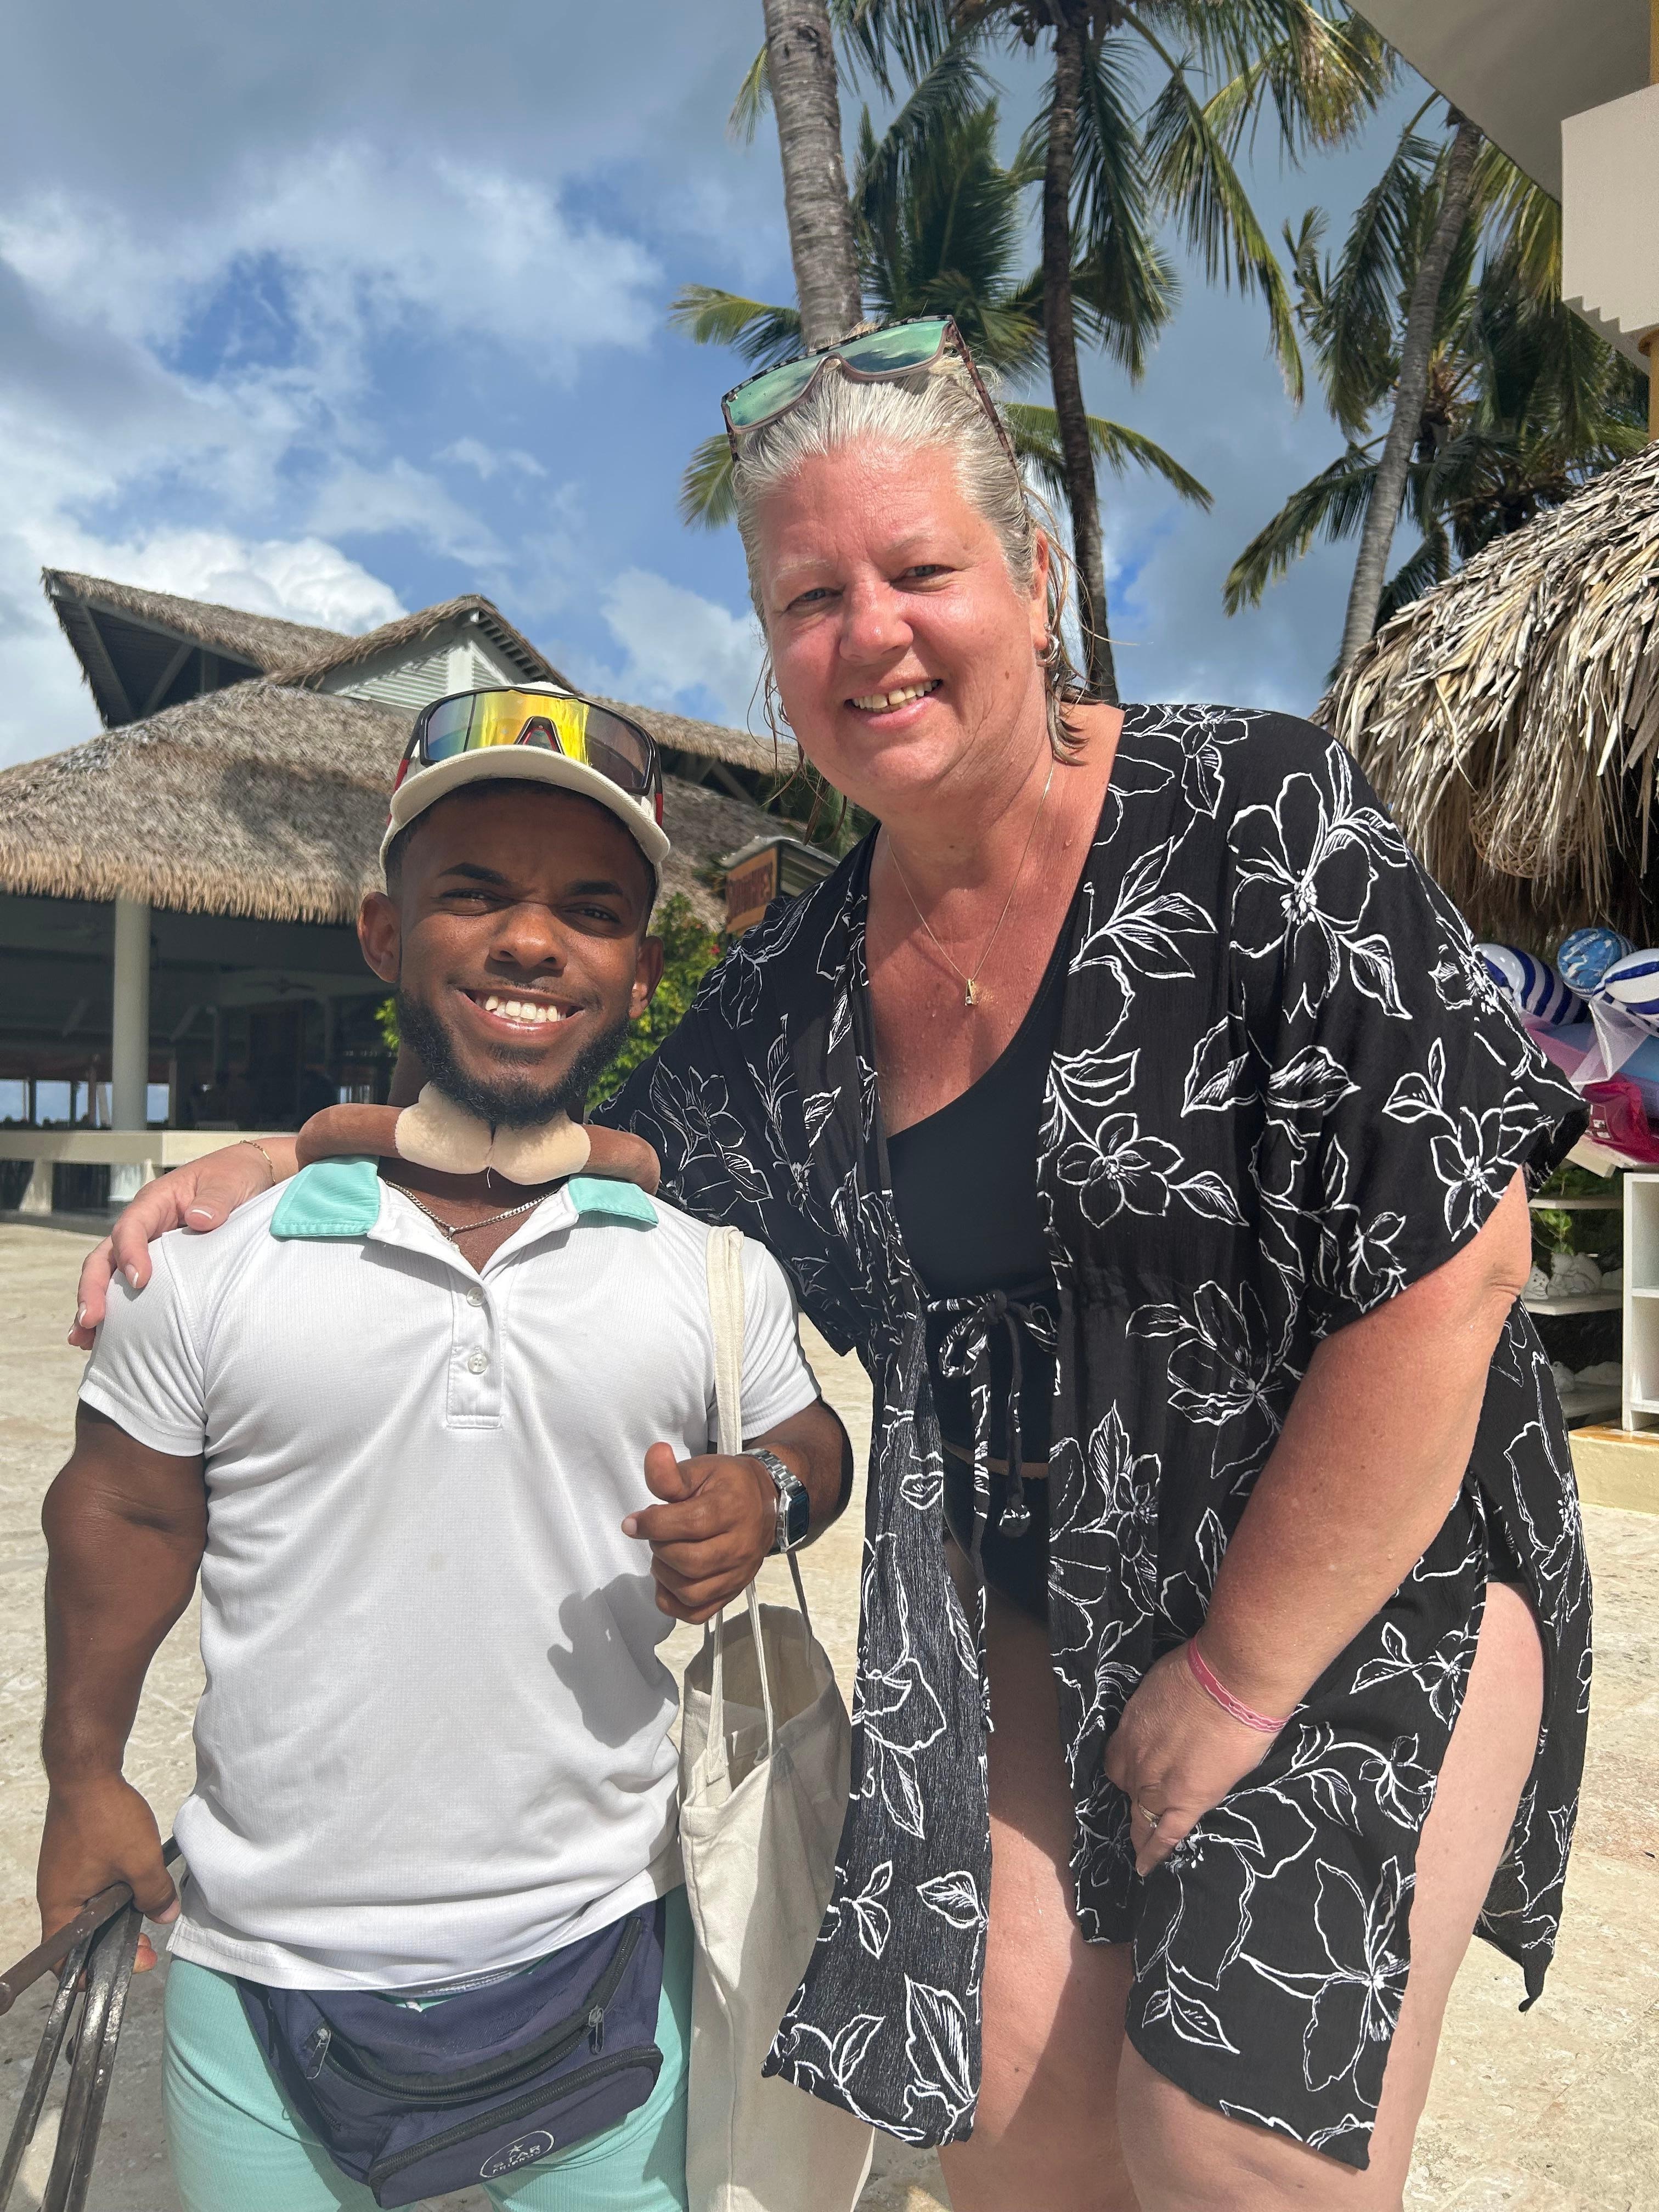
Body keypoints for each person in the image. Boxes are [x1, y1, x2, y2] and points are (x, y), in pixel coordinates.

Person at [76, 320, 1591, 2211]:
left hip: (1368, 1552)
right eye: (810, 598)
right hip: (1040, 1584)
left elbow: (1456, 1267)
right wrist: (298, 1149)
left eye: (919, 571)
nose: (870, 634)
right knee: (995, 2120)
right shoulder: (788, 996)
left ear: (1034, 581)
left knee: (1234, 2146)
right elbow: (593, 1149)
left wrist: (1234, 1683)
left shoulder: (1254, 816)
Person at [43, 698, 851, 2212]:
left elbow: (807, 1438)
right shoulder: (208, 1264)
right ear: (383, 934)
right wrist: (80, 1774)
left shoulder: (707, 1270)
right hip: (259, 1972)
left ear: (642, 972)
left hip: (612, 1946)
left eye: (590, 911)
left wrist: (773, 1497)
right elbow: (124, 1513)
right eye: (475, 893)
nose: (531, 943)